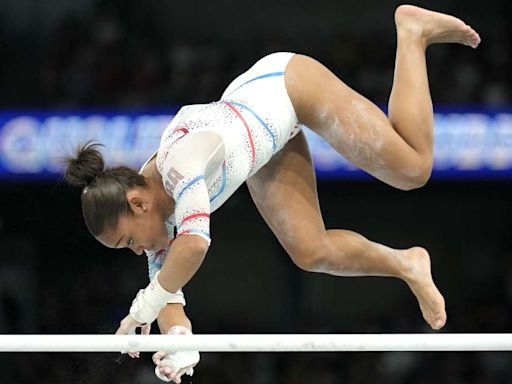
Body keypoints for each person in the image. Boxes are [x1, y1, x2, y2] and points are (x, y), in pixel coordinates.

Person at [64, 4, 480, 383]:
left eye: (129, 240)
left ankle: (412, 33)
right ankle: (407, 263)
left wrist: (143, 308)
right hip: (261, 141)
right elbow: (169, 286)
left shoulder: (180, 164)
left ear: (138, 204)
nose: (137, 250)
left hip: (285, 88)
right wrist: (178, 341)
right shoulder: (154, 214)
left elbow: (194, 246)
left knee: (414, 168)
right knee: (311, 251)